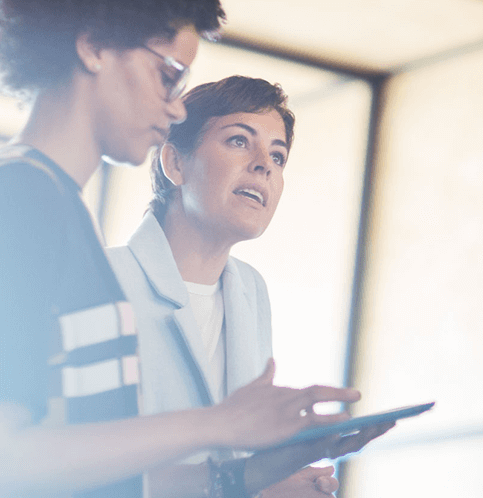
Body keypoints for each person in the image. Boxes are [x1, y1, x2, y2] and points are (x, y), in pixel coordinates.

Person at [0, 2, 363, 497]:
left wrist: (253, 478)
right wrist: (218, 425)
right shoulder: (22, 198)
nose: (174, 107)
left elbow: (102, 475)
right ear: (92, 46)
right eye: (167, 75)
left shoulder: (61, 215)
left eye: (278, 157)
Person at [108, 75, 392, 498]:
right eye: (239, 141)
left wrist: (270, 485)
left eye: (278, 157)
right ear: (175, 163)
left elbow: (231, 464)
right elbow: (77, 468)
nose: (264, 164)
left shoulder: (250, 291)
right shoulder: (104, 278)